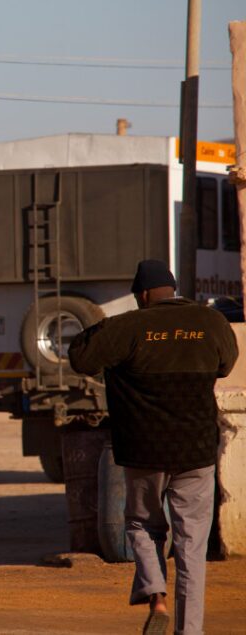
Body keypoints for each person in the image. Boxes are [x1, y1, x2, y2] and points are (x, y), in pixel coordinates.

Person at [68, 260, 237, 635]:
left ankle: (156, 595)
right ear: (172, 289)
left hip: (144, 451)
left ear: (142, 295)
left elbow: (80, 357)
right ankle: (189, 630)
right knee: (192, 544)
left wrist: (102, 327)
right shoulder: (210, 323)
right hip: (196, 451)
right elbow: (226, 364)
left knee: (142, 524)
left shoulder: (128, 326)